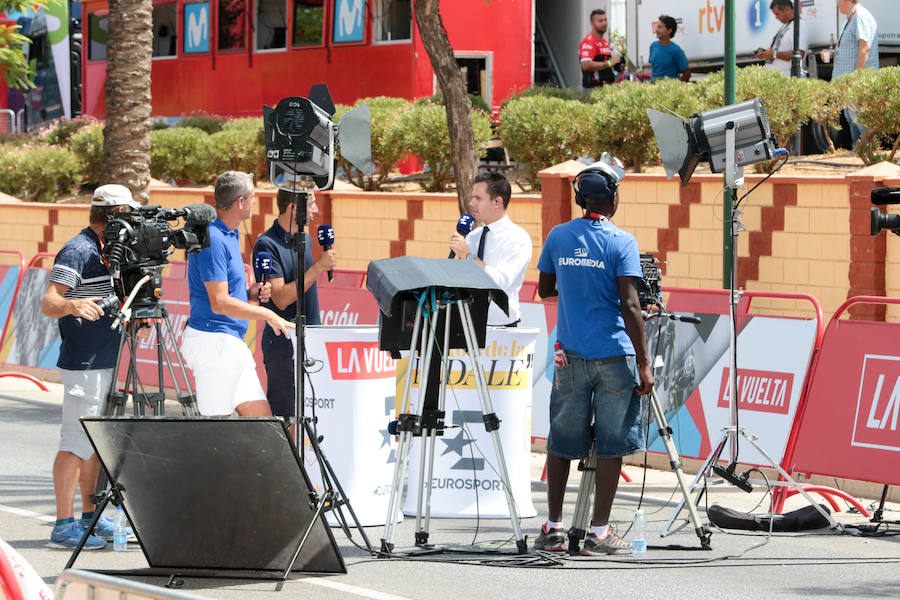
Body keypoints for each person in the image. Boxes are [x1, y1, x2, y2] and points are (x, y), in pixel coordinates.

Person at [534, 158, 653, 556]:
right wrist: (644, 362)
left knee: (562, 439)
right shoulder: (623, 242)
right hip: (614, 358)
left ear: (580, 198)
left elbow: (545, 289)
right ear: (613, 199)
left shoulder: (558, 236)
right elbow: (631, 305)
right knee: (611, 444)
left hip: (570, 355)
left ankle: (552, 527)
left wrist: (577, 287)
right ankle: (598, 532)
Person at [40, 184, 140, 550]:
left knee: (94, 444)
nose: (132, 221)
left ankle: (88, 517)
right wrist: (72, 306)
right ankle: (63, 525)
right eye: (128, 214)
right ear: (113, 216)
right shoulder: (78, 249)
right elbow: (49, 301)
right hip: (84, 364)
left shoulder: (112, 250)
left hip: (106, 360)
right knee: (75, 443)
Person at [180, 171, 293, 416]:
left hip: (228, 341)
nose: (255, 201)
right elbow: (219, 303)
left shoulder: (230, 234)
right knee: (217, 431)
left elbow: (226, 293)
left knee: (262, 425)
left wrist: (249, 294)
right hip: (213, 340)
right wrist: (266, 314)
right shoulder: (214, 239)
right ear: (240, 202)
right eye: (253, 197)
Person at [252, 189, 336, 419]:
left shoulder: (306, 239)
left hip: (312, 341)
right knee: (286, 417)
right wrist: (318, 267)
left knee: (312, 416)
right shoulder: (266, 244)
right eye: (311, 205)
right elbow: (280, 298)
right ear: (293, 208)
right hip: (283, 345)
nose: (316, 211)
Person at [448, 171, 532, 327]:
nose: (471, 203)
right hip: (467, 325)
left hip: (502, 331)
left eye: (478, 198)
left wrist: (467, 255)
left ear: (497, 202)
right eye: (472, 197)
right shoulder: (473, 237)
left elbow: (499, 283)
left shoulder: (518, 238)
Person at [833, 0, 879, 147]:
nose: (836, 4)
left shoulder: (860, 16)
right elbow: (851, 49)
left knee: (861, 123)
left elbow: (865, 47)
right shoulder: (852, 18)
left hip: (855, 83)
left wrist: (856, 79)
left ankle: (867, 154)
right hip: (849, 84)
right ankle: (859, 154)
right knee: (854, 122)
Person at [579, 9, 623, 90]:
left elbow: (605, 63)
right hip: (592, 89)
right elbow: (586, 65)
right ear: (592, 24)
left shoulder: (604, 41)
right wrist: (609, 63)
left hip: (605, 87)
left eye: (605, 20)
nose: (605, 23)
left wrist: (618, 65)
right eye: (600, 21)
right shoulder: (589, 42)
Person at [649, 15, 690, 82]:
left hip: (668, 90)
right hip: (654, 90)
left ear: (669, 31)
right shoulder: (653, 46)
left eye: (660, 27)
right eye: (657, 27)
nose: (656, 30)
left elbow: (687, 73)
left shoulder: (676, 50)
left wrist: (678, 87)